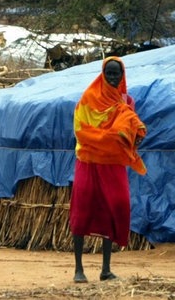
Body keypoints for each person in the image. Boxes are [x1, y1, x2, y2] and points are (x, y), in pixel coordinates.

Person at [69, 56, 148, 283]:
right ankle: (78, 269)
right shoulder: (89, 98)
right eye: (109, 73)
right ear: (103, 74)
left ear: (123, 76)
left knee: (116, 207)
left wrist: (133, 139)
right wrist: (105, 138)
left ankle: (105, 269)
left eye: (117, 74)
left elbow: (130, 131)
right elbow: (80, 129)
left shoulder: (126, 102)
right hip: (90, 160)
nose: (113, 78)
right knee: (82, 209)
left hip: (113, 163)